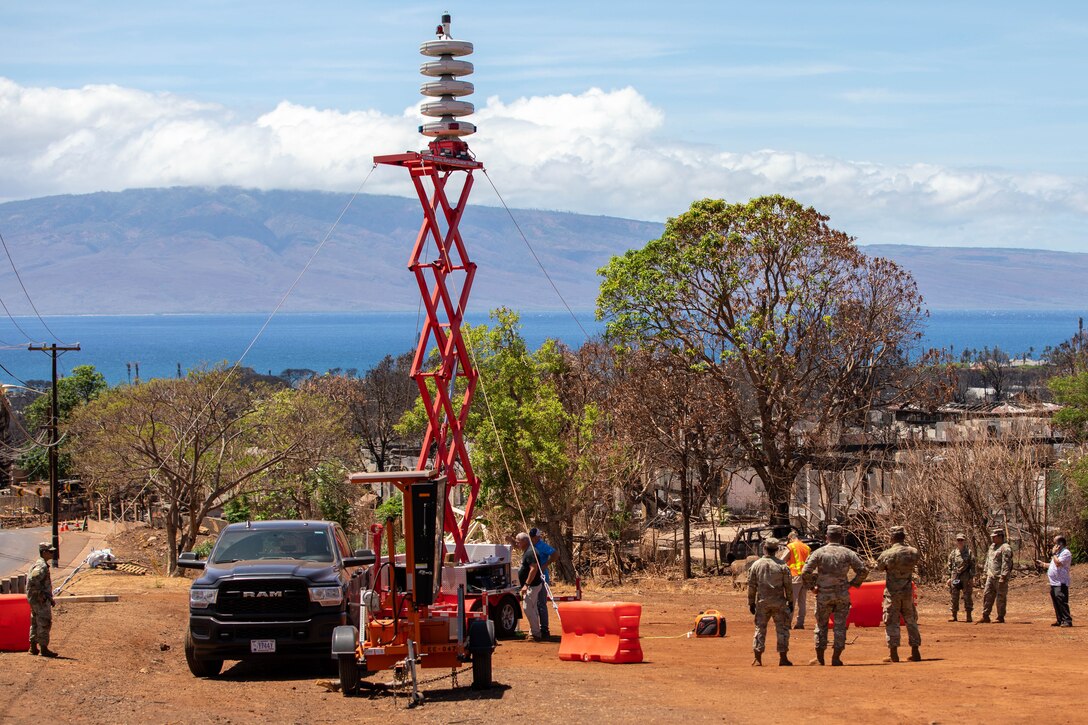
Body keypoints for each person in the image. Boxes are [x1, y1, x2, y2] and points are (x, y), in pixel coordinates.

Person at [800, 524, 868, 666]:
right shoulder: (848, 553)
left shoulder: (819, 552)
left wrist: (812, 587)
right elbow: (863, 570)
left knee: (821, 625)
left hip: (824, 594)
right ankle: (836, 657)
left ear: (827, 537)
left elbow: (805, 572)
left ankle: (820, 658)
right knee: (840, 626)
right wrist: (852, 584)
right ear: (841, 537)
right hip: (842, 595)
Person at [874, 526, 922, 662]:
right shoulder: (913, 552)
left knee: (891, 621)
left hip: (892, 593)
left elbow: (879, 567)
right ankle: (915, 651)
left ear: (892, 537)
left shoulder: (887, 554)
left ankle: (893, 653)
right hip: (907, 591)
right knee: (911, 620)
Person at [747, 538, 793, 667]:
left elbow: (752, 586)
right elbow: (788, 586)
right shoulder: (782, 565)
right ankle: (783, 658)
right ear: (777, 550)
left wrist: (751, 602)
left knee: (760, 629)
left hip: (762, 602)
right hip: (779, 602)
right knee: (782, 630)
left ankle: (757, 658)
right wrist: (791, 601)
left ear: (764, 548)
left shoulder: (756, 565)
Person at [26, 541, 58, 657]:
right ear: (44, 552)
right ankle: (43, 648)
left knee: (35, 622)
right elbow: (33, 579)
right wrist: (42, 594)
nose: (52, 553)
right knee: (44, 622)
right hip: (40, 600)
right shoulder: (41, 566)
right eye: (50, 552)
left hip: (37, 599)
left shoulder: (39, 564)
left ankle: (33, 647)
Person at [1036, 535, 1073, 628]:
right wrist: (1043, 564)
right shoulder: (1058, 554)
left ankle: (1067, 620)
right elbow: (1053, 565)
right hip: (1054, 582)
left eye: (1055, 543)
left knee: (1061, 601)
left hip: (1061, 582)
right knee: (1056, 602)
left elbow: (1058, 563)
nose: (1053, 546)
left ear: (1059, 544)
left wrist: (1053, 554)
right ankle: (1060, 620)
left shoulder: (1065, 553)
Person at [978, 528, 1013, 624]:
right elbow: (988, 560)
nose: (993, 539)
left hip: (1000, 577)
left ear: (1000, 537)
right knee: (987, 595)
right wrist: (985, 572)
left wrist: (1003, 576)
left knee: (1000, 597)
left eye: (994, 537)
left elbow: (1006, 563)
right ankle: (985, 616)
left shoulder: (1005, 547)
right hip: (990, 575)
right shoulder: (992, 546)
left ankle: (1000, 616)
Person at [529, 527, 557, 639]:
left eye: (534, 537)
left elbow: (555, 554)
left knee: (541, 603)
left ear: (538, 536)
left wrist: (546, 564)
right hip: (532, 578)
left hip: (542, 577)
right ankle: (535, 629)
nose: (532, 538)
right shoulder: (530, 546)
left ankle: (544, 628)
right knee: (532, 604)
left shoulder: (542, 546)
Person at [515, 532, 543, 641]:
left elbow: (534, 569)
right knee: (533, 608)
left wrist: (526, 585)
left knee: (528, 608)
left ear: (525, 541)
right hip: (532, 585)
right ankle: (534, 632)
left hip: (532, 586)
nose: (517, 543)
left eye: (518, 541)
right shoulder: (528, 551)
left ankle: (536, 633)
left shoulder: (530, 552)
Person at [782, 530, 811, 630]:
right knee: (802, 602)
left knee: (791, 601)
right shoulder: (807, 547)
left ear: (790, 538)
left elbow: (781, 561)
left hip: (794, 576)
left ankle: (787, 623)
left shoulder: (790, 546)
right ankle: (800, 623)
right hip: (805, 577)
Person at [946, 534, 975, 622]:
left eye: (961, 540)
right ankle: (954, 615)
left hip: (966, 576)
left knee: (967, 596)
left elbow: (973, 565)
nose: (960, 542)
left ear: (964, 541)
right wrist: (949, 578)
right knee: (954, 595)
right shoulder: (953, 553)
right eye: (958, 540)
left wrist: (971, 577)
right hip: (955, 576)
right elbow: (949, 566)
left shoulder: (969, 552)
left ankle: (968, 615)